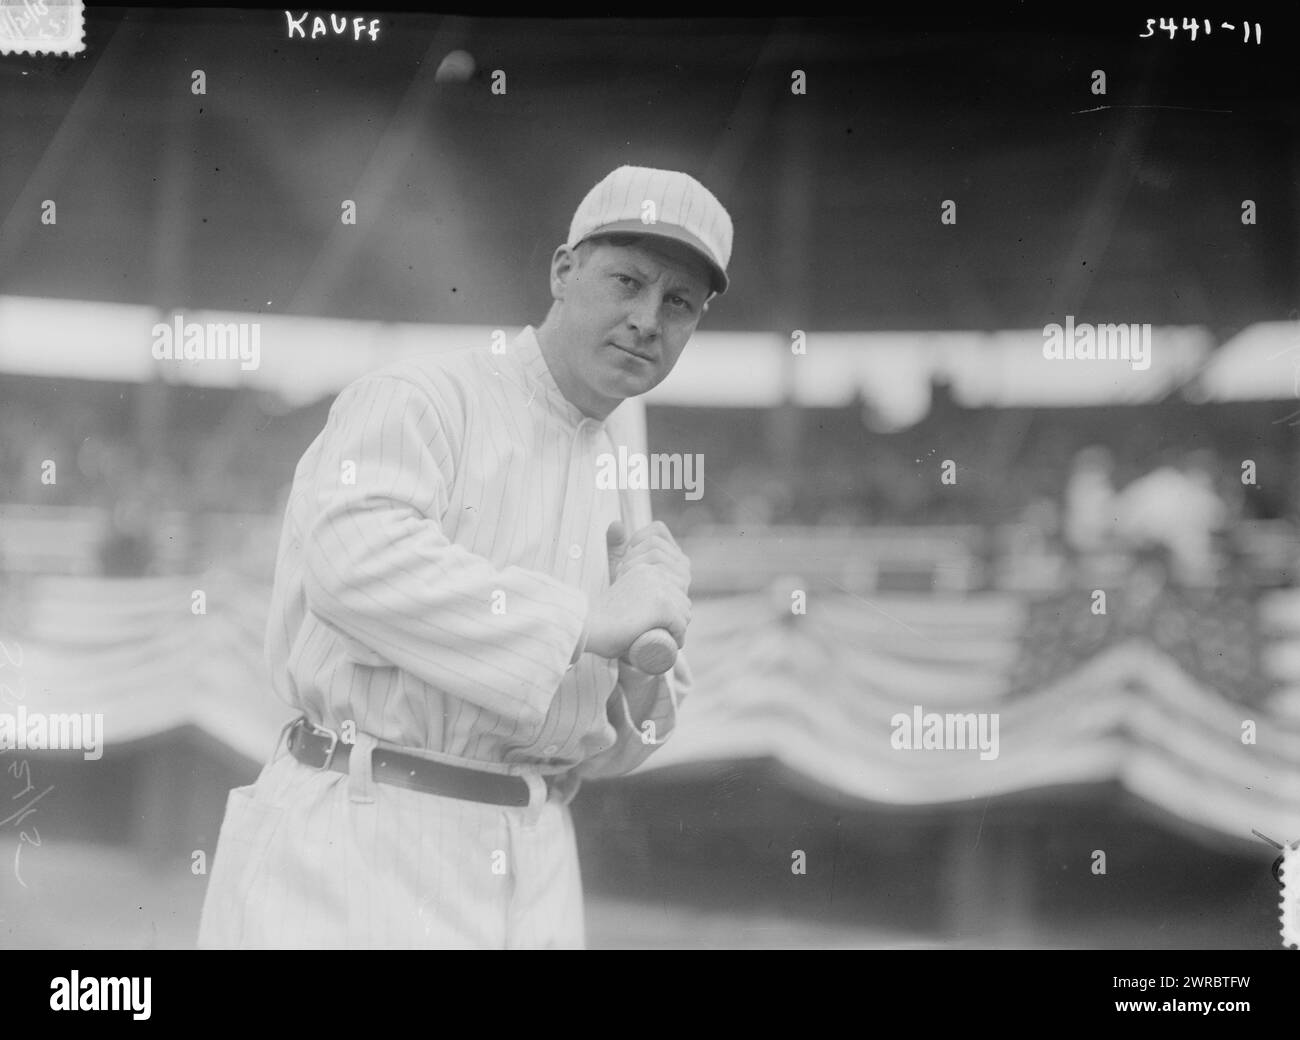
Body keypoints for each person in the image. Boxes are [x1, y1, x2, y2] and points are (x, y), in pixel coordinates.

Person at [198, 165, 732, 948]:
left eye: (678, 302)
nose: (647, 319)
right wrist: (588, 619)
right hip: (362, 830)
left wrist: (645, 664)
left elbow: (619, 748)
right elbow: (352, 569)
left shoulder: (622, 464)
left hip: (535, 847)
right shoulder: (422, 396)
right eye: (628, 280)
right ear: (562, 270)